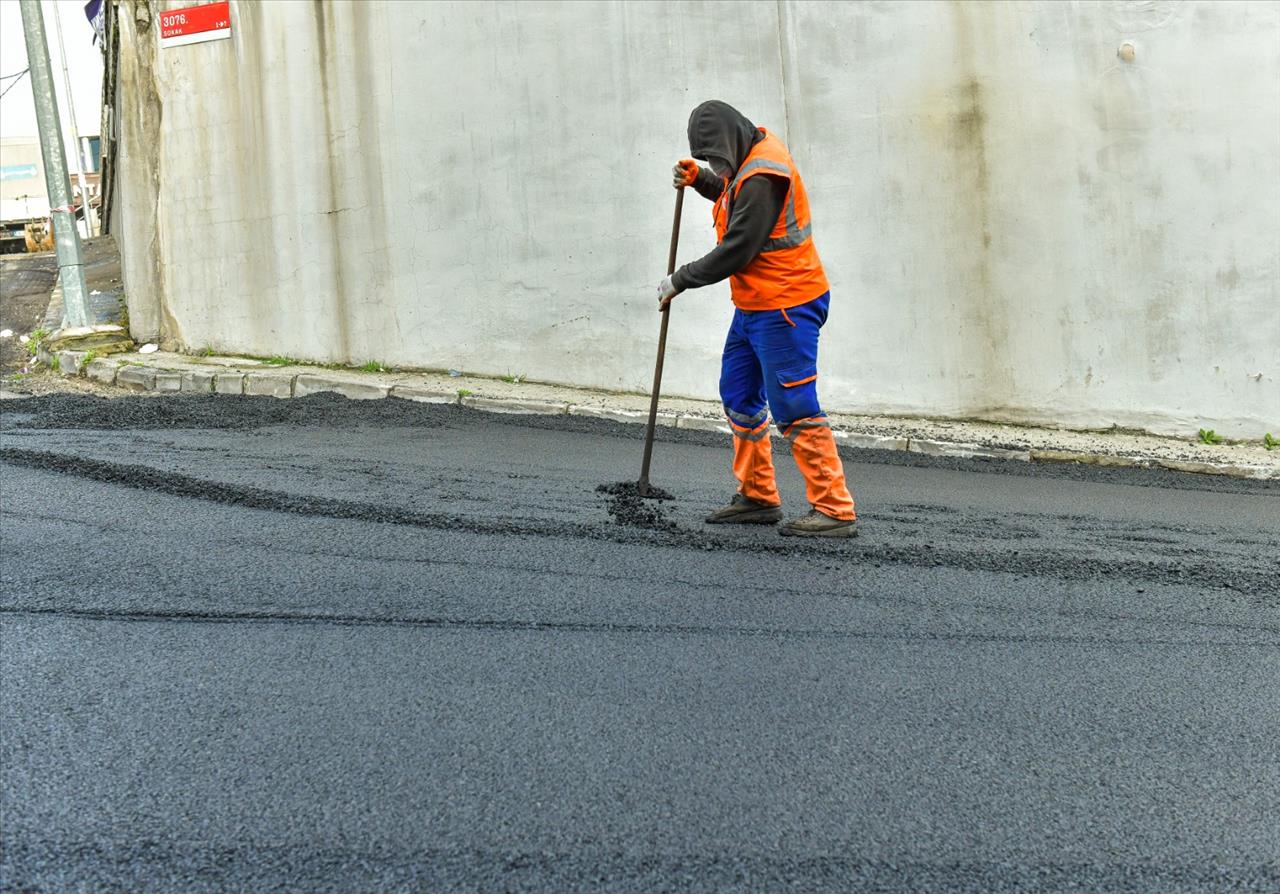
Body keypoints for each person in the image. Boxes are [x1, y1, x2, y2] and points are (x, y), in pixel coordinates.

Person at [658, 100, 857, 538]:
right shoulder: (748, 156)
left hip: (786, 305)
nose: (716, 165)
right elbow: (735, 198)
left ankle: (834, 509)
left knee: (793, 406)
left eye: (715, 158)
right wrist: (702, 180)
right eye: (710, 159)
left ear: (731, 140)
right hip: (754, 305)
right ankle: (758, 496)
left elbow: (740, 247)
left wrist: (680, 280)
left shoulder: (765, 172)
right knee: (739, 395)